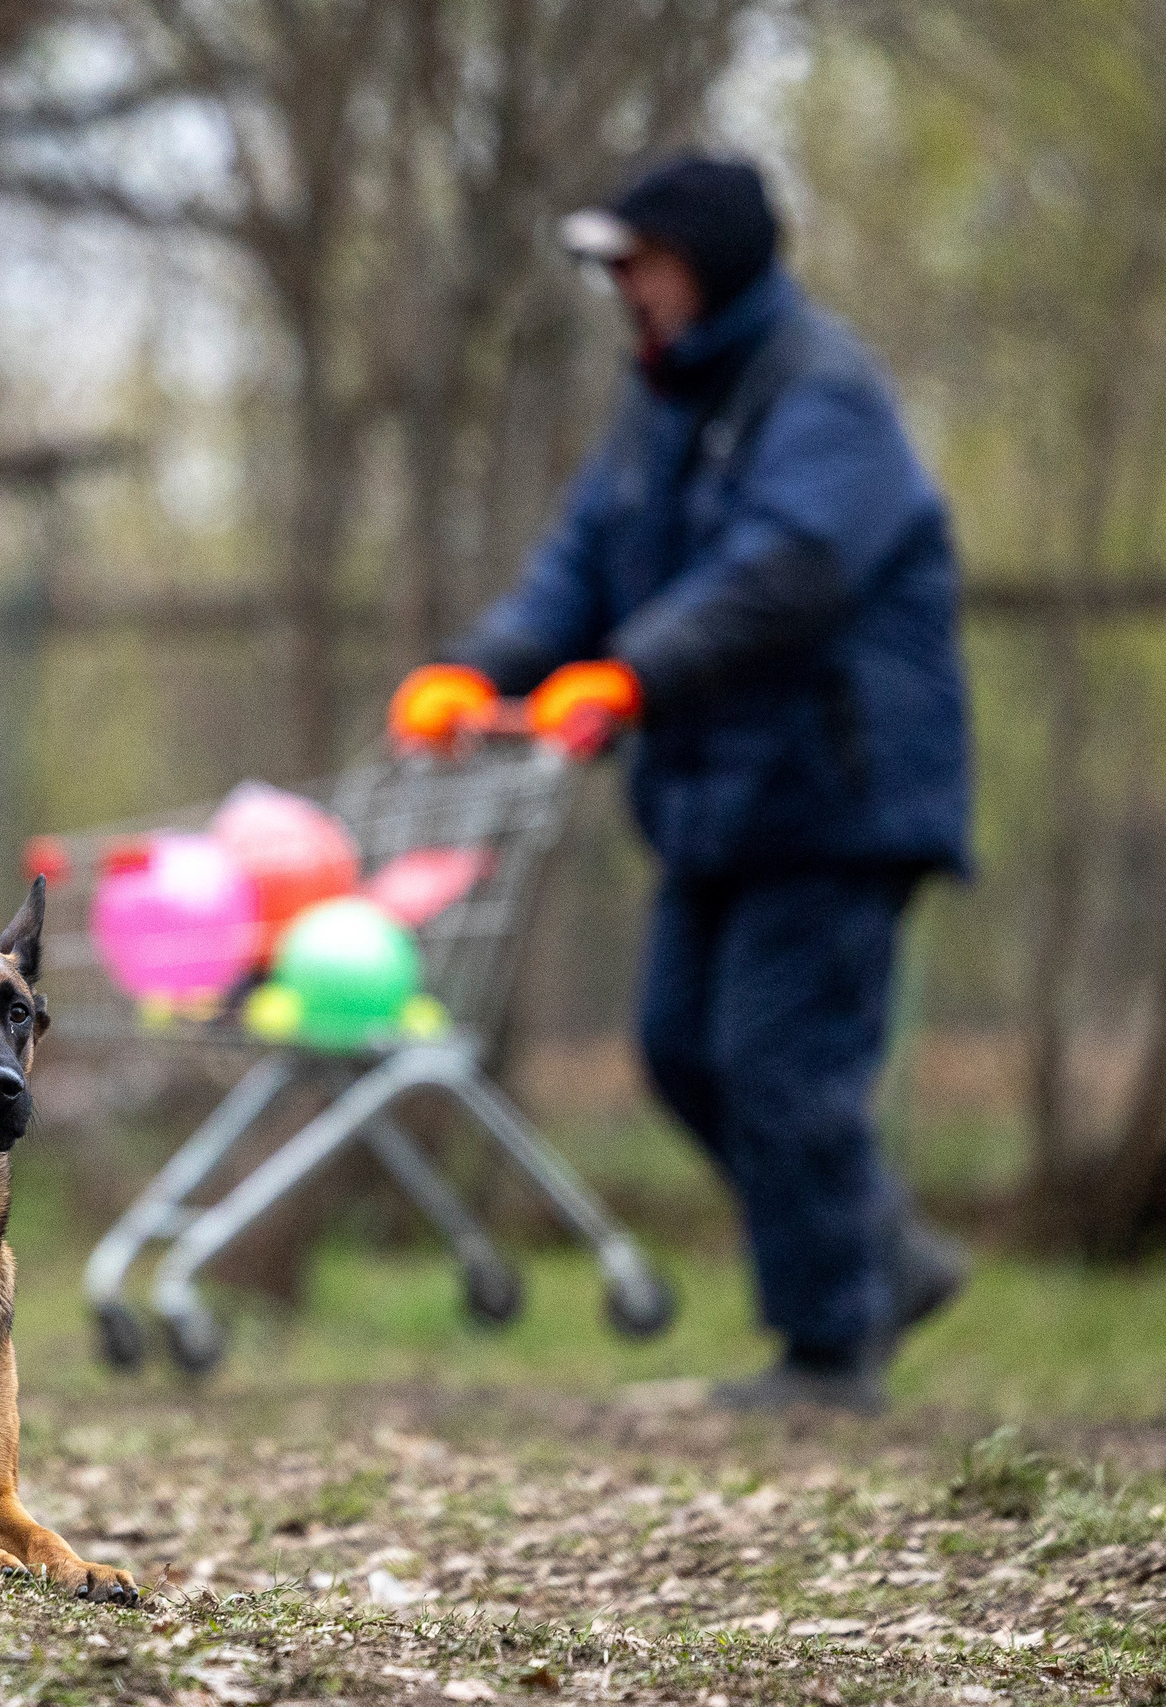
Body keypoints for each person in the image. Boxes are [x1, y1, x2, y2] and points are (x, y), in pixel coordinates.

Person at [397, 155, 970, 1414]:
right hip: (720, 796)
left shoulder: (824, 394)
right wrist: (477, 668)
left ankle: (830, 1350)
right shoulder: (656, 404)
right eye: (610, 268)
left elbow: (792, 568)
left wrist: (630, 677)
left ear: (706, 263)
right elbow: (582, 562)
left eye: (636, 263)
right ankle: (882, 1256)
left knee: (777, 1066)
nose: (621, 290)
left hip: (839, 794)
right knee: (677, 1050)